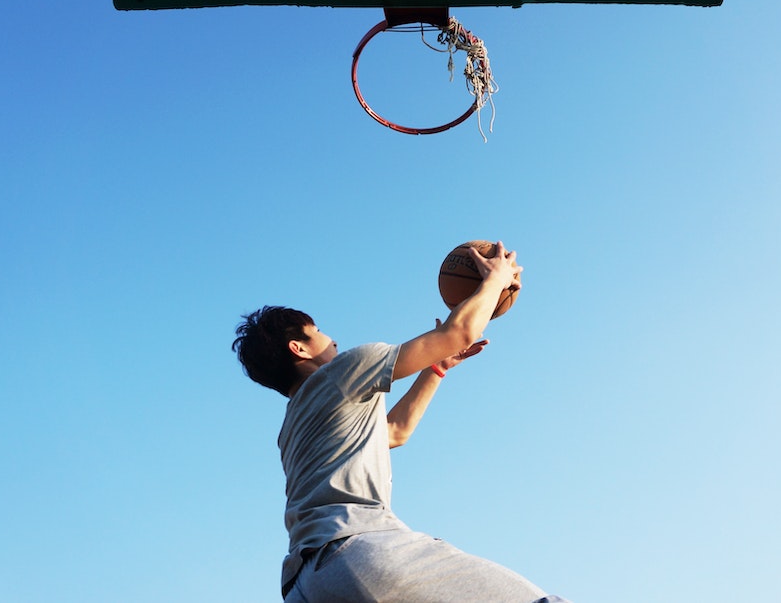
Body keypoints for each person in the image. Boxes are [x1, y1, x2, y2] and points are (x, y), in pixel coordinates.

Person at [233, 242, 570, 603]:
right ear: (298, 348)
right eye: (320, 333)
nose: (333, 341)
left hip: (307, 585)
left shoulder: (294, 427)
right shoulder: (344, 370)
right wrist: (495, 279)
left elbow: (395, 432)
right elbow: (458, 332)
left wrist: (437, 368)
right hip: (357, 550)